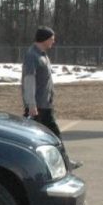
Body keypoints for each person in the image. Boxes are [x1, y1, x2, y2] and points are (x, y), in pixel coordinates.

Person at [21, 26, 82, 169]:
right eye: (51, 39)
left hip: (45, 104)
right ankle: (64, 164)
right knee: (52, 136)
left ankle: (59, 163)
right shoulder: (32, 55)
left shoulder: (43, 55)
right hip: (38, 107)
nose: (53, 42)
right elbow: (29, 81)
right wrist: (31, 104)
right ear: (44, 39)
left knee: (36, 136)